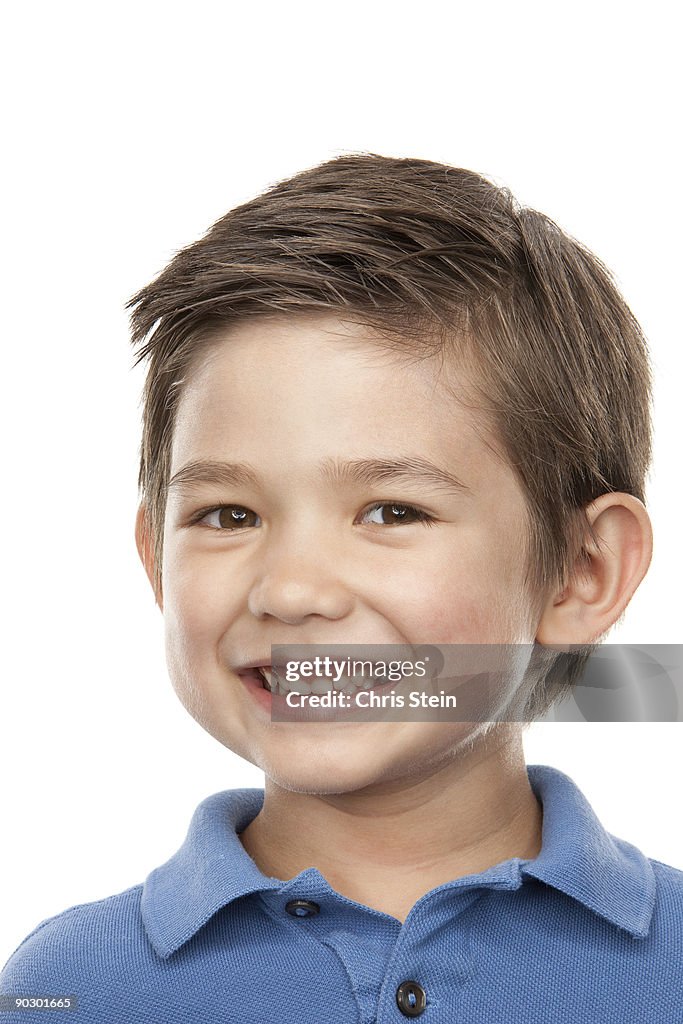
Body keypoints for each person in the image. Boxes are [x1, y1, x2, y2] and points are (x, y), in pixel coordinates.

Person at [1, 154, 680, 1022]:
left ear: (584, 572)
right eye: (228, 515)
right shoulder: (68, 989)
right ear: (155, 560)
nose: (289, 590)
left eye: (391, 511)